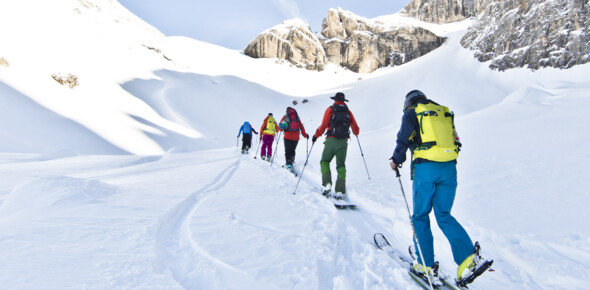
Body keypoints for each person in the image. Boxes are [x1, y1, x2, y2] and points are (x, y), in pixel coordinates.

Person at [389, 89, 489, 282]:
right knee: (444, 215)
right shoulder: (443, 112)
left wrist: (396, 160)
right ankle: (469, 259)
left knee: (420, 216)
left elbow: (403, 139)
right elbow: (456, 141)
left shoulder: (412, 113)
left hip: (425, 170)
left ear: (407, 104)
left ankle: (424, 264)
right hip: (449, 169)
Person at [312, 92, 359, 200]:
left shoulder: (331, 109)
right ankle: (339, 191)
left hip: (331, 140)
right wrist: (355, 133)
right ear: (344, 101)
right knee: (341, 165)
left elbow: (323, 126)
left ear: (335, 100)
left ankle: (327, 184)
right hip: (343, 142)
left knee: (324, 161)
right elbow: (356, 129)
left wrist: (316, 136)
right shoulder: (348, 112)